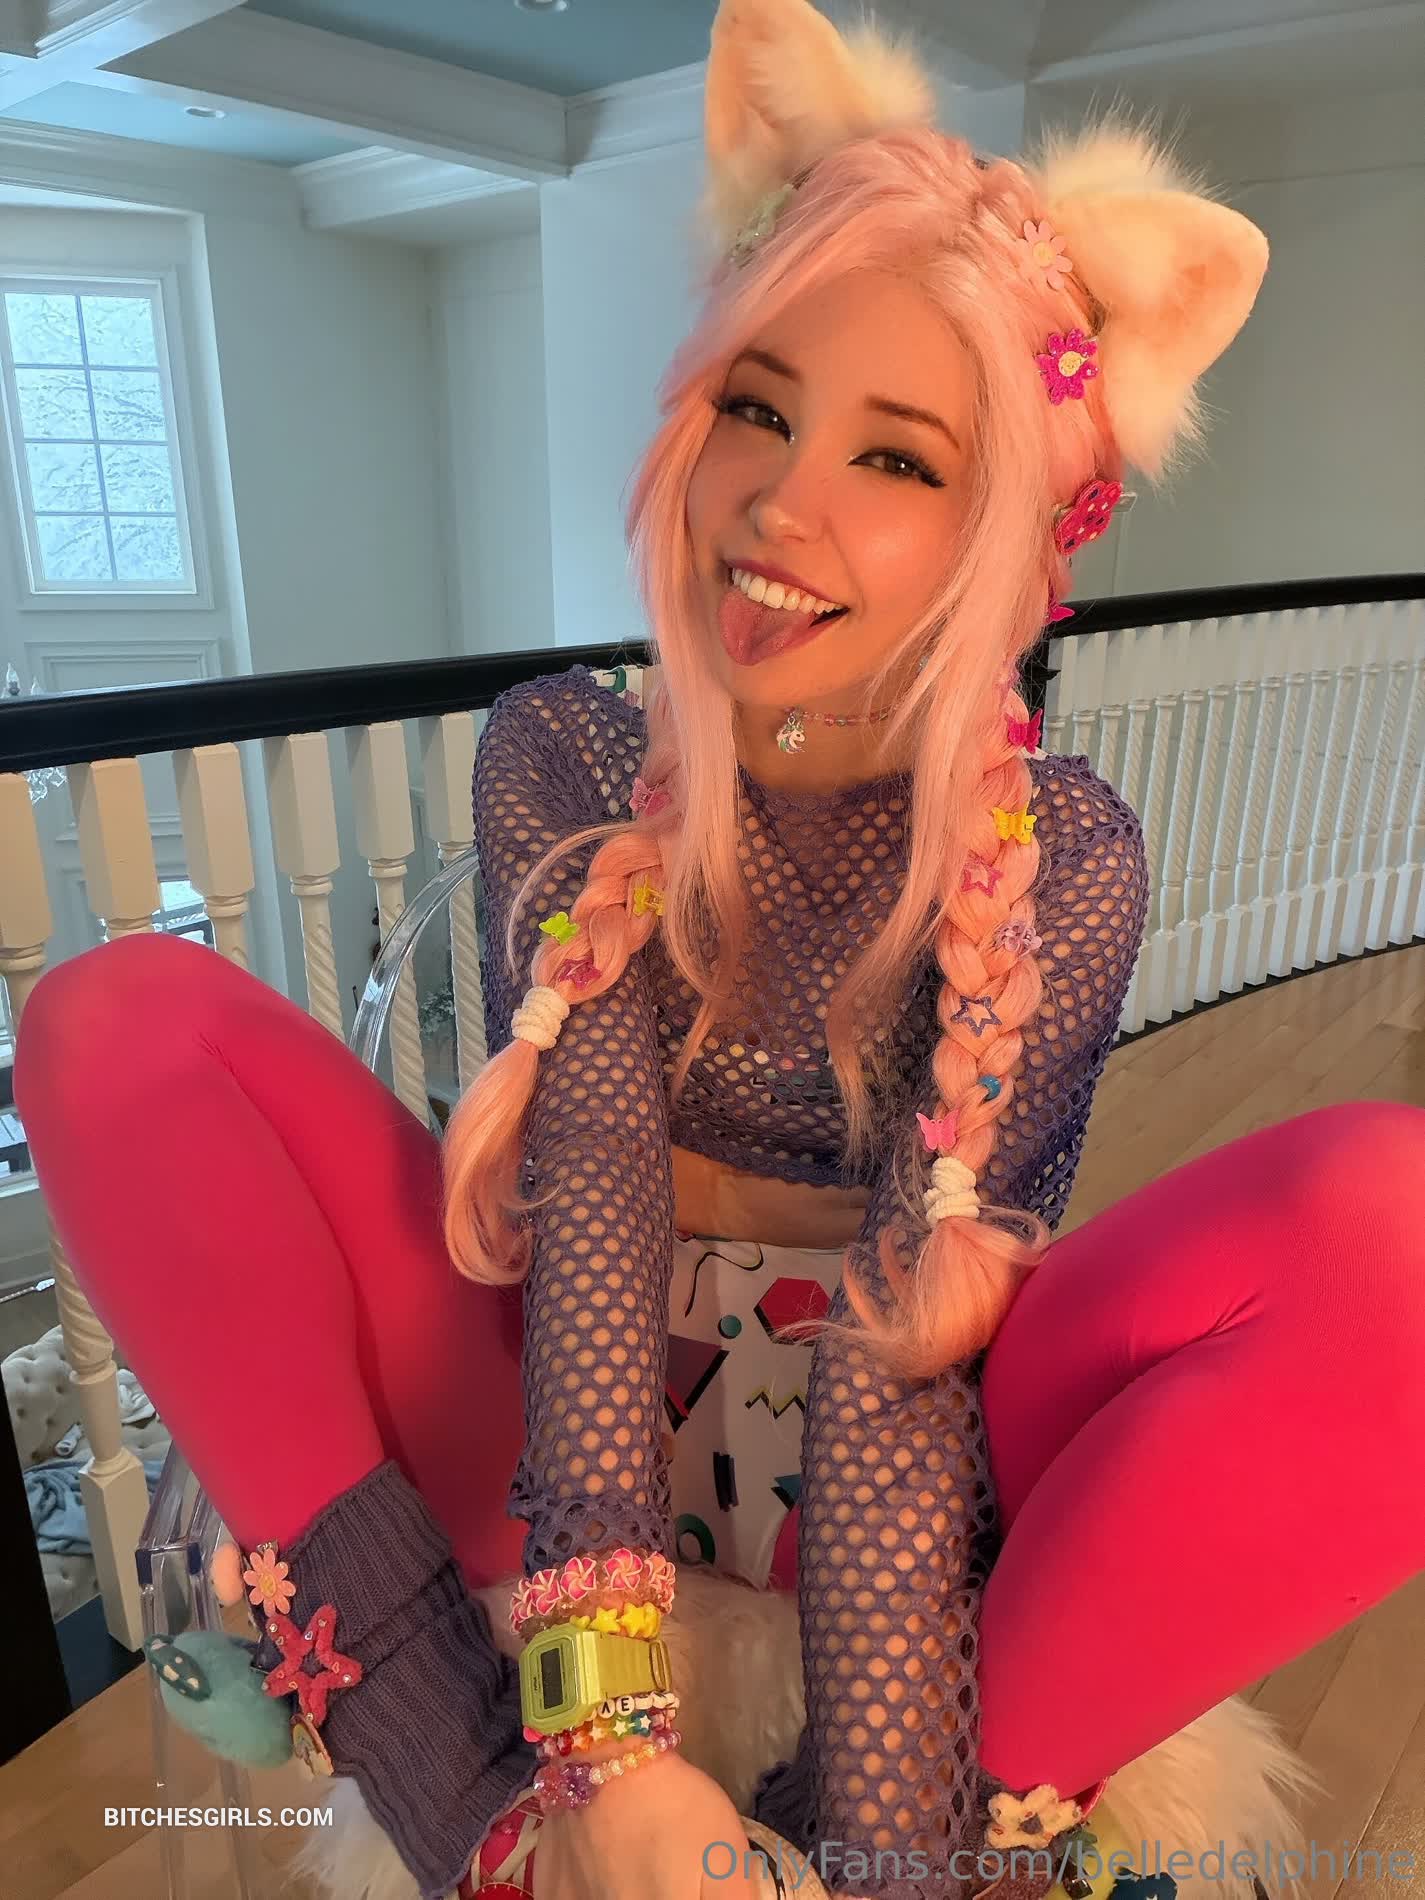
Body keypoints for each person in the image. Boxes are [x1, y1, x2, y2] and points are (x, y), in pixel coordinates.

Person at [14, 2, 1425, 1898]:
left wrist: (880, 1839)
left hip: (906, 1438)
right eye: (757, 407)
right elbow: (592, 1185)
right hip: (545, 1401)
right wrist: (602, 1748)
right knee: (112, 1022)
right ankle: (471, 1805)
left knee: (1395, 1230)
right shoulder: (565, 752)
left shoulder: (1062, 851)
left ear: (1013, 533)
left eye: (899, 461)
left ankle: (947, 1839)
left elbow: (905, 1346)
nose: (780, 499)